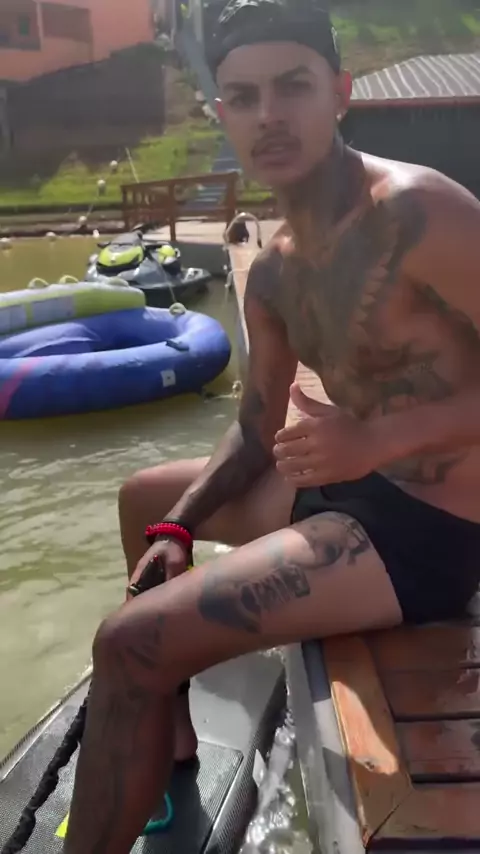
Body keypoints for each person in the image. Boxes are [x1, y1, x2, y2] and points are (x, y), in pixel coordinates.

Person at [63, 1, 480, 851]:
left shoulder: (419, 214)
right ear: (222, 113)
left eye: (293, 87)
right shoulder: (277, 270)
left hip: (429, 530)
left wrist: (377, 441)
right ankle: (168, 743)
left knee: (129, 641)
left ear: (340, 93)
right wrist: (179, 526)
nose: (269, 115)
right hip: (337, 481)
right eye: (245, 97)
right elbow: (256, 429)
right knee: (143, 501)